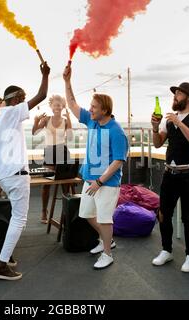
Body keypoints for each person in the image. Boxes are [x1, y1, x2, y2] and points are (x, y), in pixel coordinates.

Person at [0, 61, 51, 280]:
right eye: (22, 98)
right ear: (13, 99)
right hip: (17, 175)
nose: (24, 102)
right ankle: (1, 265)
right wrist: (45, 75)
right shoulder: (12, 111)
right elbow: (42, 95)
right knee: (19, 219)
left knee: (14, 217)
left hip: (3, 175)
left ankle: (7, 254)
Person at [63, 62, 128, 270]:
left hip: (107, 183)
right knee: (87, 214)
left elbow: (118, 161)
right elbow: (72, 103)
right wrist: (67, 80)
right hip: (90, 179)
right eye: (90, 107)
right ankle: (107, 240)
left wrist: (100, 182)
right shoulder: (92, 121)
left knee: (105, 218)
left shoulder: (116, 131)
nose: (89, 109)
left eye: (93, 107)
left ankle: (108, 253)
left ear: (105, 110)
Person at [150, 82, 189, 272]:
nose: (174, 97)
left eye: (178, 94)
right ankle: (166, 250)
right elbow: (158, 144)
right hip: (170, 174)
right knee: (163, 213)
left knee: (188, 217)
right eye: (174, 94)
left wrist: (179, 123)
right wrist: (154, 127)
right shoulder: (170, 120)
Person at [32, 94, 73, 223]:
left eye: (59, 105)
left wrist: (70, 120)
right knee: (47, 184)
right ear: (51, 106)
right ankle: (44, 211)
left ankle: (66, 213)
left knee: (65, 184)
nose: (57, 107)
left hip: (62, 151)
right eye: (55, 105)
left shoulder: (66, 121)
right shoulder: (46, 120)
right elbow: (34, 133)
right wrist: (36, 121)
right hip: (49, 151)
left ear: (63, 107)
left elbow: (71, 138)